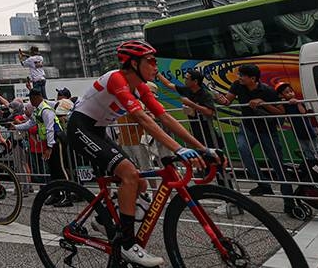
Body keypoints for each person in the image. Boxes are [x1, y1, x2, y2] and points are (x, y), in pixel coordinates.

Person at [66, 40, 215, 268]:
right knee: (129, 175)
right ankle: (127, 244)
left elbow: (165, 117)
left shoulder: (141, 87)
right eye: (151, 61)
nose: (156, 66)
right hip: (80, 128)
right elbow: (143, 119)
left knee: (140, 184)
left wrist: (202, 148)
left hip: (99, 130)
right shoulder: (117, 78)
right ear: (134, 64)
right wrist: (179, 149)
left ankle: (101, 219)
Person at [216, 63, 295, 213]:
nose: (238, 77)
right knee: (242, 148)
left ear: (253, 78)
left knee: (278, 165)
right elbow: (227, 101)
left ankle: (289, 203)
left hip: (267, 130)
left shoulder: (268, 91)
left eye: (242, 75)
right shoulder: (237, 86)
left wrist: (262, 103)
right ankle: (263, 183)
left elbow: (280, 112)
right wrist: (216, 97)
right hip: (248, 127)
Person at [12, 88, 66, 187]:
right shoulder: (38, 110)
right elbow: (30, 123)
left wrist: (49, 147)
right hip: (49, 142)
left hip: (56, 140)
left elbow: (50, 129)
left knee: (59, 169)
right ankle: (56, 194)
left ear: (36, 98)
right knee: (53, 169)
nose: (31, 102)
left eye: (31, 99)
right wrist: (15, 127)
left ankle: (67, 194)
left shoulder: (45, 110)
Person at [156, 69, 218, 151]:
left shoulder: (205, 94)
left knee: (210, 151)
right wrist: (157, 73)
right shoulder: (187, 90)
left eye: (187, 79)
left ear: (195, 81)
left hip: (207, 130)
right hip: (194, 128)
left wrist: (191, 104)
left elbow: (210, 112)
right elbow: (169, 84)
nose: (185, 80)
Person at [274, 82, 318, 164]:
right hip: (297, 132)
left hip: (308, 130)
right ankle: (312, 164)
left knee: (315, 148)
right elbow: (281, 110)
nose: (290, 93)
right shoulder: (285, 105)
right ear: (281, 95)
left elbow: (303, 112)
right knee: (305, 149)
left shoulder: (298, 102)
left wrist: (298, 103)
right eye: (287, 92)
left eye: (291, 91)